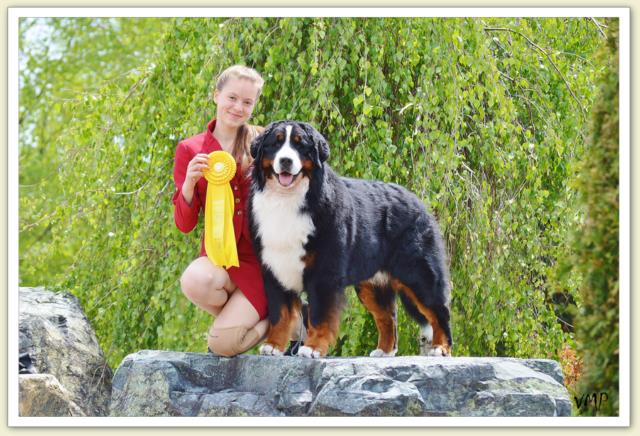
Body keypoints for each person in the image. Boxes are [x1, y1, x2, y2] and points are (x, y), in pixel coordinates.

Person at [172, 65, 269, 357]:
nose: (238, 107)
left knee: (222, 345)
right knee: (193, 280)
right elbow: (185, 225)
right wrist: (189, 183)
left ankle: (279, 318)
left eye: (247, 102)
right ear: (216, 95)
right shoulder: (190, 149)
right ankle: (283, 317)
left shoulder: (264, 141)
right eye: (232, 98)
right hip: (219, 259)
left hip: (260, 262)